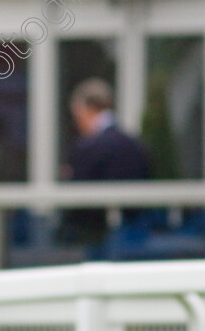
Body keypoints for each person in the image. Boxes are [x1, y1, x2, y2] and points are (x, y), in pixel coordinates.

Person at [57, 78, 151, 246]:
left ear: (89, 110)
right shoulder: (135, 144)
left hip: (97, 237)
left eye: (78, 116)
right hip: (136, 235)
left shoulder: (88, 146)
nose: (77, 123)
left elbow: (77, 193)